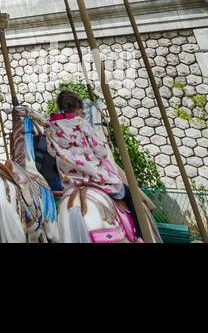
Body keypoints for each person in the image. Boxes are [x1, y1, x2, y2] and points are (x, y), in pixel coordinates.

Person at [47, 89, 140, 234]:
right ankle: (141, 234)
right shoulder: (82, 124)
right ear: (78, 110)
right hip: (95, 178)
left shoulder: (51, 128)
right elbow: (101, 152)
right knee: (130, 194)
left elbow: (52, 152)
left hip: (70, 183)